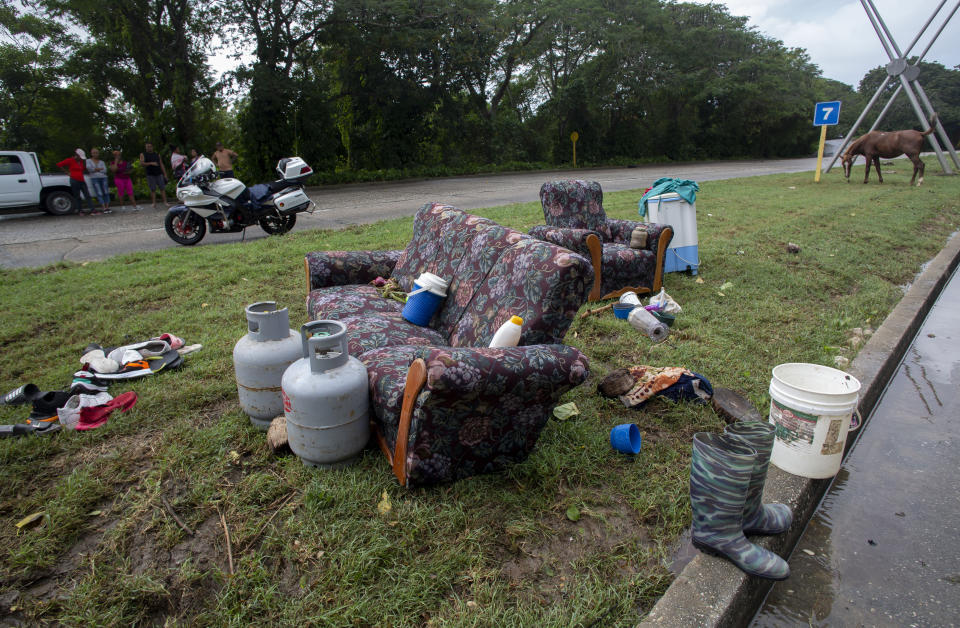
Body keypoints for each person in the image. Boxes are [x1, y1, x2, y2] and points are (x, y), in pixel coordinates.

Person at [57, 149, 97, 215]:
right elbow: (59, 164)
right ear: (77, 155)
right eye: (80, 157)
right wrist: (67, 172)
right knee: (77, 196)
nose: (81, 158)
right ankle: (80, 210)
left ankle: (92, 209)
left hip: (82, 180)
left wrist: (84, 162)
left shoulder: (81, 162)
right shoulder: (70, 160)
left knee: (87, 195)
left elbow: (84, 168)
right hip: (74, 180)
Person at [139, 142, 169, 208]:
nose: (148, 148)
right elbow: (142, 163)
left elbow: (161, 164)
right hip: (150, 174)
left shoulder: (157, 154)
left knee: (162, 188)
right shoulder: (143, 154)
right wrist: (151, 163)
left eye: (150, 146)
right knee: (153, 189)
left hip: (159, 173)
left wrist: (165, 174)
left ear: (152, 147)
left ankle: (165, 202)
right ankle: (154, 203)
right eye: (147, 147)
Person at [85, 148, 112, 213]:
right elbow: (89, 169)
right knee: (99, 192)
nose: (95, 154)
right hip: (94, 178)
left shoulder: (102, 162)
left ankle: (107, 207)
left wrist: (95, 169)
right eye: (94, 153)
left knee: (106, 192)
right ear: (91, 154)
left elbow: (105, 170)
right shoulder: (88, 161)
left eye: (96, 152)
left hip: (104, 178)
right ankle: (103, 207)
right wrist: (99, 169)